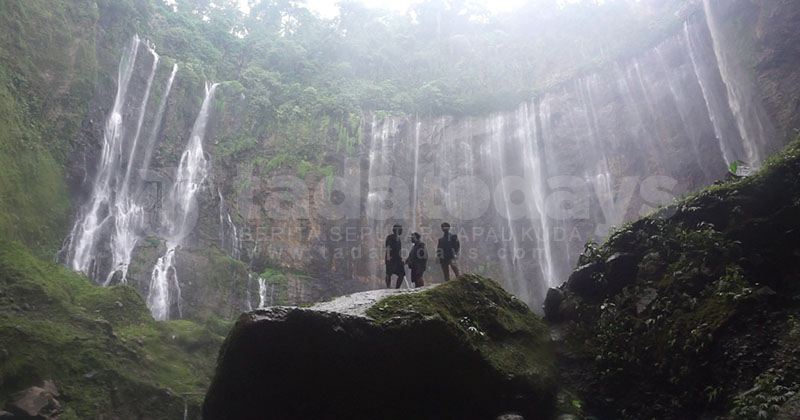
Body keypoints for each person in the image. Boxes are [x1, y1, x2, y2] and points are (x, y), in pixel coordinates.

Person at [385, 224, 406, 288]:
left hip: (397, 259)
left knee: (402, 273)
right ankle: (388, 287)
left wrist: (401, 258)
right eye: (400, 229)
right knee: (389, 273)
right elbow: (388, 247)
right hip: (391, 258)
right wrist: (388, 257)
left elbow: (398, 249)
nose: (402, 231)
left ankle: (397, 288)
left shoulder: (398, 239)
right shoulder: (390, 237)